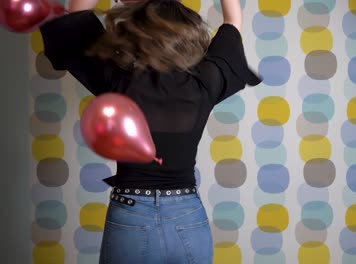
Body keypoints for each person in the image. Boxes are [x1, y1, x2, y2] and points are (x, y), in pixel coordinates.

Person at [39, 0, 261, 263]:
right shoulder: (205, 82)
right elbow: (232, 23)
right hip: (188, 217)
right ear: (186, 34)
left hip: (131, 217)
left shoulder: (117, 78)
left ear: (136, 35)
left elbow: (75, 18)